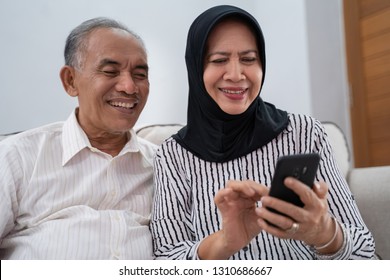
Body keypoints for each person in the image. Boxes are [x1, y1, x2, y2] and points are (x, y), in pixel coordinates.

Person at [150, 5, 375, 260]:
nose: (236, 75)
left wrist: (324, 234)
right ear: (195, 67)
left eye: (248, 59)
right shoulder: (172, 156)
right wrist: (223, 242)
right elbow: (167, 260)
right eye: (219, 60)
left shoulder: (305, 133)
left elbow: (364, 250)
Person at [0, 17, 156, 259]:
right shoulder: (17, 157)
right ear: (70, 81)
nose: (129, 87)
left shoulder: (164, 165)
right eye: (110, 71)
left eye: (139, 74)